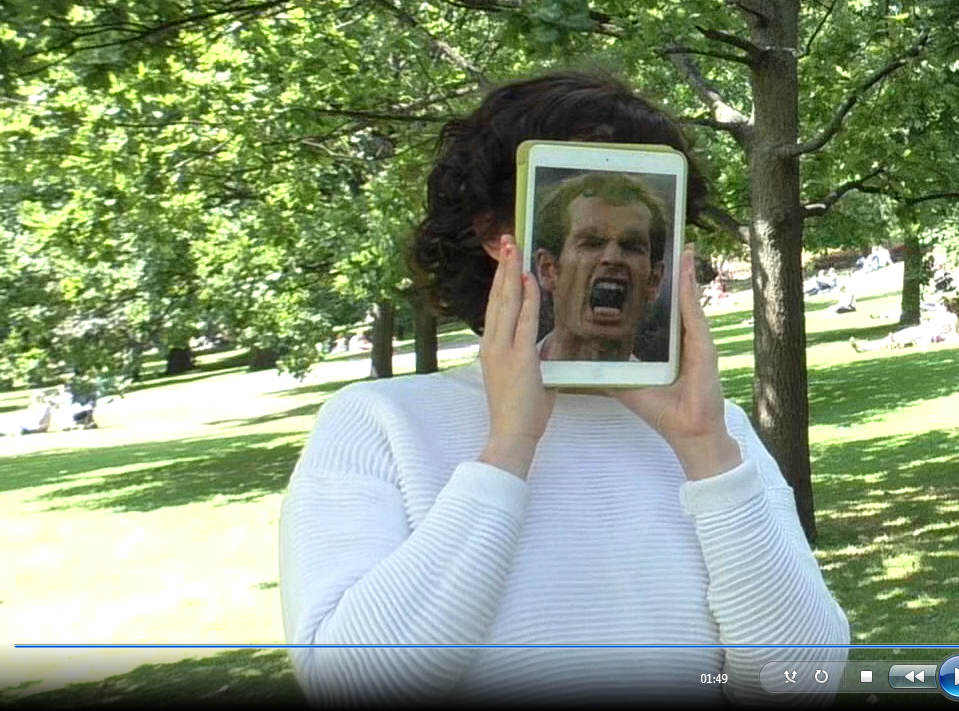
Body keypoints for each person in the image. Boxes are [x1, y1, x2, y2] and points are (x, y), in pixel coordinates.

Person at [278, 70, 848, 705]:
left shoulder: (719, 433)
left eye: (634, 244)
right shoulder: (378, 423)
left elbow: (800, 683)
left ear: (657, 272)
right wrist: (508, 448)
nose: (613, 259)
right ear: (509, 245)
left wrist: (707, 452)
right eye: (589, 238)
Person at [531, 171, 669, 362]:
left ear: (653, 281)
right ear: (548, 270)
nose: (613, 258)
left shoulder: (676, 382)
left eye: (631, 246)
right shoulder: (492, 380)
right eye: (592, 243)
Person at [850, 297, 959, 353]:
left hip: (925, 335)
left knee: (895, 342)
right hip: (920, 331)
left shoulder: (952, 317)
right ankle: (864, 345)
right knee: (894, 337)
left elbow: (955, 336)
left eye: (941, 305)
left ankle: (865, 347)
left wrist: (941, 339)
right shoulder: (939, 315)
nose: (939, 307)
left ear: (946, 307)